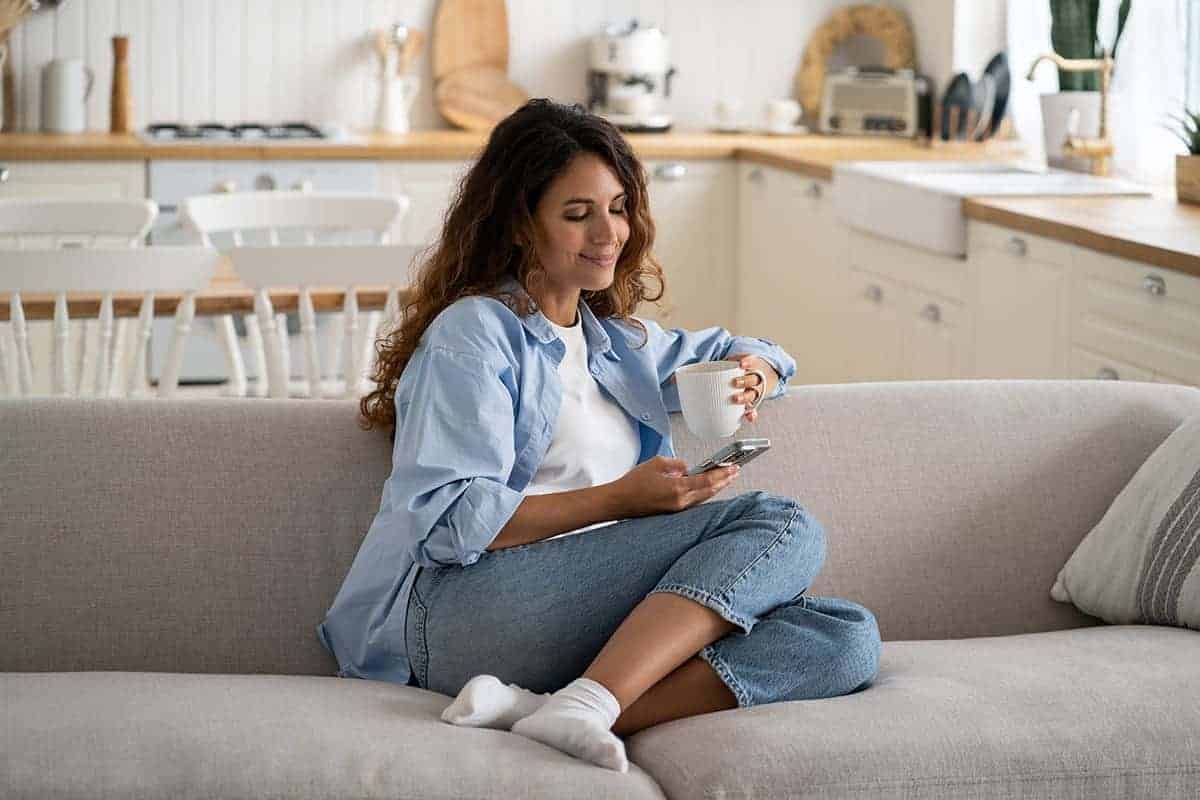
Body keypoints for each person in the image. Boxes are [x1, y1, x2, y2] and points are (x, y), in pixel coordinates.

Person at [318, 99, 881, 773]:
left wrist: (755, 373)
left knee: (844, 639)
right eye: (577, 214)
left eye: (617, 208)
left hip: (583, 617)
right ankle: (582, 702)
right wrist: (621, 499)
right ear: (521, 223)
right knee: (781, 524)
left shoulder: (617, 344)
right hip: (461, 610)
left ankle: (545, 709)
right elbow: (449, 524)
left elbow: (751, 348)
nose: (608, 232)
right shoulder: (476, 333)